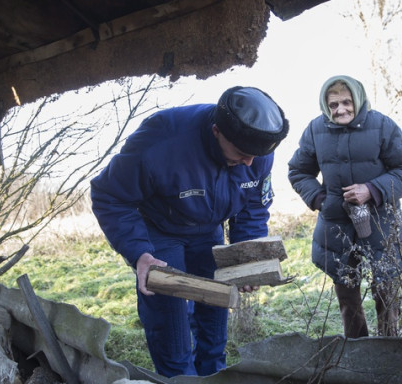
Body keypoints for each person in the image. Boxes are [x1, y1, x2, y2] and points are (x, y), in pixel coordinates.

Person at [90, 86, 289, 377]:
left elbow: (251, 207)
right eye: (242, 154)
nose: (249, 162)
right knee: (171, 327)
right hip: (159, 232)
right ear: (217, 131)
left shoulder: (257, 153)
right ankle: (178, 378)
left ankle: (212, 375)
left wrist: (245, 259)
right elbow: (109, 195)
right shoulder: (161, 141)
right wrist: (139, 254)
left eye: (255, 156)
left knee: (214, 315)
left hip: (208, 231)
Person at [287, 75, 402, 337]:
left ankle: (388, 353)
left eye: (346, 102)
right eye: (333, 104)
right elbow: (298, 171)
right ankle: (357, 356)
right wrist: (320, 200)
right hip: (337, 227)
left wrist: (372, 189)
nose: (340, 110)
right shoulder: (315, 130)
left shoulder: (381, 126)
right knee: (348, 300)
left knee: (387, 295)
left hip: (381, 224)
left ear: (357, 100)